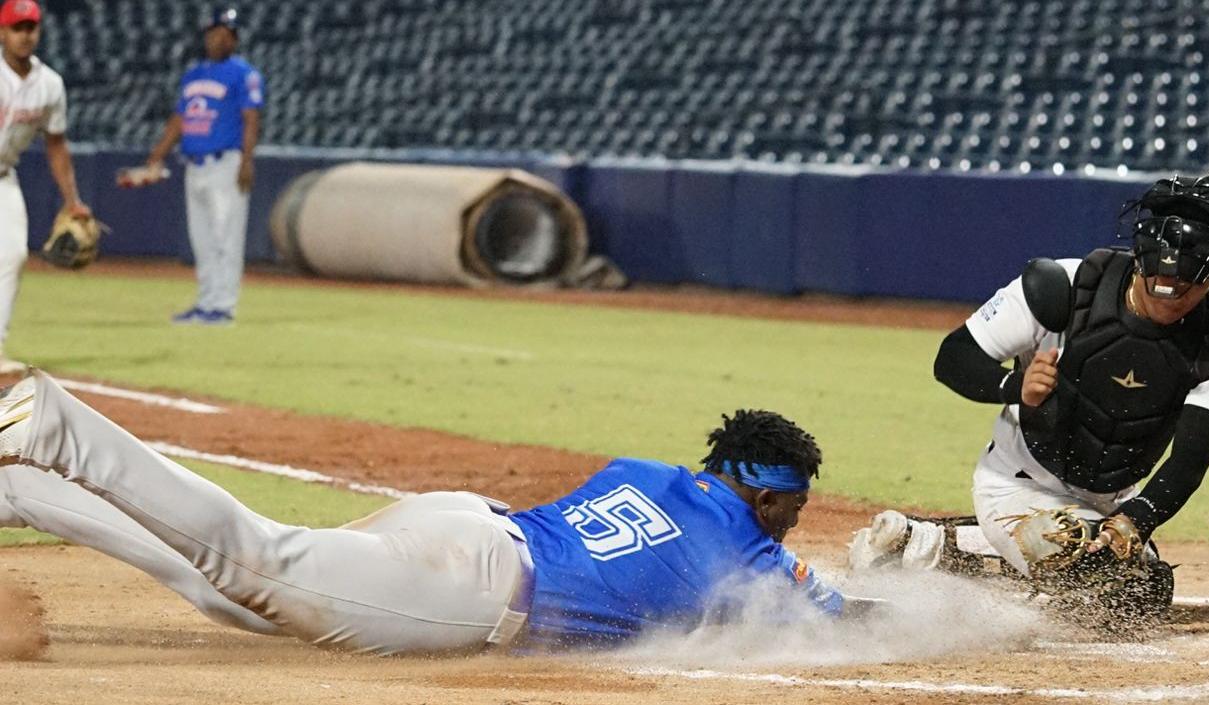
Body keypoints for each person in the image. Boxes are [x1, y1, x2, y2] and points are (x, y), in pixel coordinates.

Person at [0, 371, 868, 655]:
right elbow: (847, 620)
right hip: (474, 585)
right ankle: (59, 428)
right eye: (788, 507)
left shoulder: (646, 468)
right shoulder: (744, 549)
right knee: (258, 562)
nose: (788, 524)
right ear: (760, 491)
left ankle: (21, 491)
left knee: (230, 595)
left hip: (462, 526)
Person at [850, 168, 1209, 618]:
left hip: (1109, 500)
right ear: (1140, 255)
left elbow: (1188, 463)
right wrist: (1012, 386)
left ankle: (925, 541)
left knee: (1143, 598)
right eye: (1156, 281)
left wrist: (1137, 518)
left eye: (1186, 289)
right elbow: (953, 357)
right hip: (1016, 482)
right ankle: (931, 552)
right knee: (1085, 581)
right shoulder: (1063, 288)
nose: (1169, 297)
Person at [139, 7, 262, 326]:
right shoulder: (194, 74)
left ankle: (224, 307)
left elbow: (251, 119)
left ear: (233, 38)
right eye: (212, 33)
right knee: (202, 240)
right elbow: (180, 118)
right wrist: (158, 153)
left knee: (226, 237)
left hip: (226, 163)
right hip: (194, 165)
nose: (215, 38)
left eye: (223, 33)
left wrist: (247, 161)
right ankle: (206, 302)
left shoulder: (244, 74)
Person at [0, 0, 93, 371]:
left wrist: (73, 201)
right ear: (2, 32)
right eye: (17, 28)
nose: (25, 36)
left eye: (30, 28)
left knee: (12, 255)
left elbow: (56, 144)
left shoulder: (50, 84)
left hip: (4, 178)